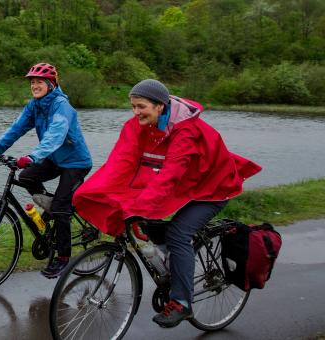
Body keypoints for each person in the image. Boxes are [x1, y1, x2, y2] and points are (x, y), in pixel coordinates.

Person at [72, 79, 261, 328]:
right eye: (133, 106)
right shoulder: (139, 125)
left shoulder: (186, 131)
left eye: (141, 106)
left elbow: (171, 174)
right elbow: (121, 162)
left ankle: (182, 301)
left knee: (179, 233)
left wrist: (137, 208)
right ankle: (172, 263)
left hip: (213, 187)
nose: (136, 112)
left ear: (160, 106)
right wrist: (94, 193)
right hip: (188, 184)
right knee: (145, 219)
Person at [0, 62, 93, 279]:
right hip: (53, 158)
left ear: (51, 84)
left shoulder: (62, 106)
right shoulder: (35, 106)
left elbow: (56, 135)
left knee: (61, 208)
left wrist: (33, 156)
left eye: (39, 81)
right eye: (32, 82)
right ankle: (53, 207)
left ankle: (62, 258)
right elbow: (17, 128)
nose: (34, 85)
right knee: (26, 177)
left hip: (75, 162)